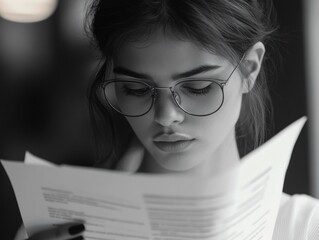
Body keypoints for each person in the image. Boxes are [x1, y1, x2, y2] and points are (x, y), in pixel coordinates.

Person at [14, 0, 319, 239]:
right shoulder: (53, 226)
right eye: (136, 89)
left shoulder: (304, 226)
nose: (165, 116)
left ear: (250, 69)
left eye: (197, 88)